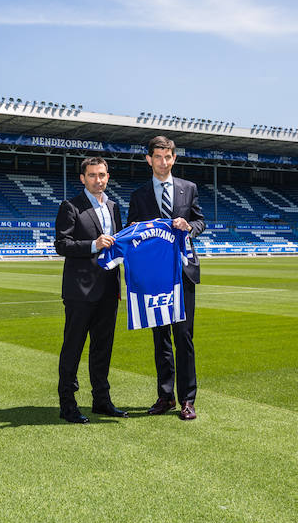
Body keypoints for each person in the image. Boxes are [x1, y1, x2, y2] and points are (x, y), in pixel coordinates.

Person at [127, 136, 205, 420]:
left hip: (183, 272)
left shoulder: (189, 189)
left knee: (183, 336)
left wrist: (189, 227)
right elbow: (131, 231)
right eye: (157, 157)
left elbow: (200, 221)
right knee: (160, 338)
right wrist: (135, 227)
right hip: (154, 277)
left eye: (168, 157)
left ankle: (188, 399)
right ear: (149, 159)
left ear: (174, 158)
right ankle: (165, 396)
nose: (163, 162)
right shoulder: (139, 195)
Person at [54, 156, 129, 424]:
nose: (98, 180)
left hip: (109, 289)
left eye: (102, 175)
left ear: (108, 176)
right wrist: (93, 245)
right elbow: (62, 245)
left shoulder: (113, 206)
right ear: (83, 178)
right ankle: (67, 403)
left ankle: (101, 400)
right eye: (93, 175)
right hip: (80, 291)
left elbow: (119, 244)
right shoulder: (71, 206)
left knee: (102, 348)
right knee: (73, 348)